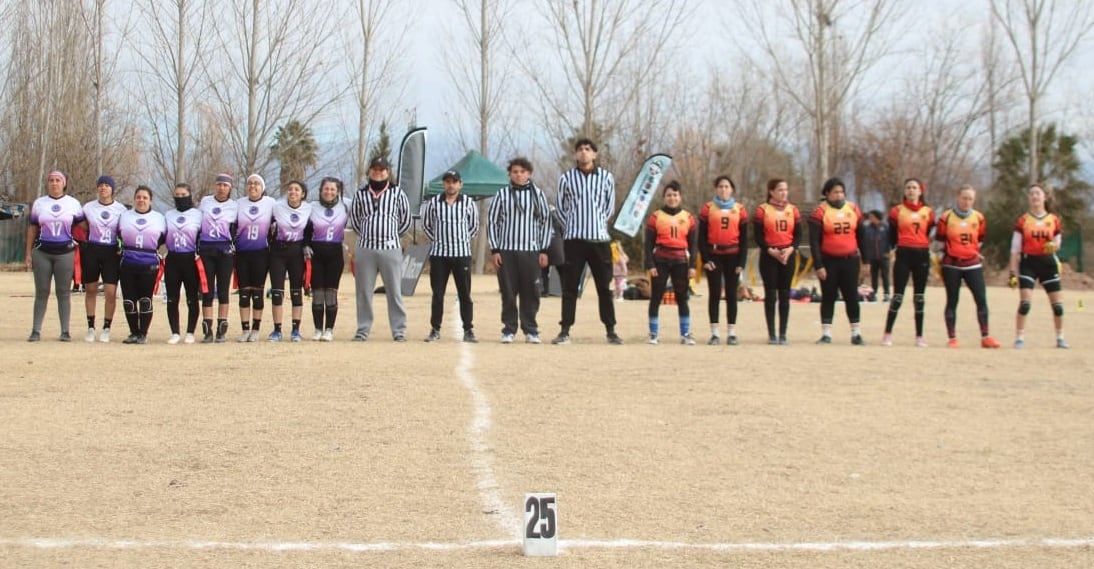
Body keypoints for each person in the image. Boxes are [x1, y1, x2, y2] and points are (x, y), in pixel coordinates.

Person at [551, 139, 622, 345]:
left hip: (599, 240)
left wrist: (598, 222)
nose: (584, 152)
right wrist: (572, 226)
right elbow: (561, 207)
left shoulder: (606, 178)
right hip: (574, 241)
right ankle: (564, 330)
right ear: (575, 155)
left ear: (595, 154)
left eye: (588, 149)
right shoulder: (566, 178)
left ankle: (611, 330)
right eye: (580, 149)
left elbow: (609, 207)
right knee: (570, 286)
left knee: (604, 287)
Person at [487, 157, 552, 344]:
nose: (519, 174)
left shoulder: (538, 194)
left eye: (522, 171)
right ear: (510, 174)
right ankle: (509, 329)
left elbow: (545, 222)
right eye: (515, 171)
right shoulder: (501, 195)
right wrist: (495, 249)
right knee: (508, 291)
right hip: (506, 251)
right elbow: (493, 221)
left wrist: (544, 249)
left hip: (530, 250)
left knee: (531, 291)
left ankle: (531, 329)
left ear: (529, 173)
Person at [349, 157, 411, 342]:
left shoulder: (398, 193)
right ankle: (363, 329)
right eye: (375, 169)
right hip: (366, 249)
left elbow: (405, 221)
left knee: (394, 291)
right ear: (369, 171)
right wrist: (369, 235)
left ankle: (398, 330)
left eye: (382, 169)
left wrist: (390, 235)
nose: (378, 172)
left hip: (390, 248)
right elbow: (355, 220)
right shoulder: (360, 194)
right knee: (363, 291)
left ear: (388, 172)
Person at [936, 185, 1000, 348]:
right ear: (958, 197)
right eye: (964, 198)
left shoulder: (978, 217)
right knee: (952, 300)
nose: (966, 202)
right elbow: (940, 240)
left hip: (972, 264)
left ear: (974, 200)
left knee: (981, 299)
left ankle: (985, 336)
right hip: (952, 265)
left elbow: (980, 238)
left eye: (970, 199)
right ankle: (952, 338)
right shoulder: (946, 217)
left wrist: (973, 251)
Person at [25, 171, 84, 342]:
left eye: (58, 180)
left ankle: (65, 331)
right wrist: (28, 253)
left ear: (64, 183)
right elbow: (32, 228)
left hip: (65, 253)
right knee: (42, 291)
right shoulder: (39, 203)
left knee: (63, 292)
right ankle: (36, 330)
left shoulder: (73, 203)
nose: (54, 183)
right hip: (42, 252)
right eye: (51, 180)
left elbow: (84, 225)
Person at [421, 169, 479, 343]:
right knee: (438, 294)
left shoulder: (468, 203)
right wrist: (439, 240)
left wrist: (460, 240)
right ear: (443, 184)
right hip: (439, 255)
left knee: (465, 294)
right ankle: (435, 329)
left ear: (460, 184)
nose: (450, 185)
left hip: (461, 254)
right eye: (447, 181)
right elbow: (426, 226)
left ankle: (468, 329)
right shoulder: (433, 203)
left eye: (454, 181)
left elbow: (474, 227)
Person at [1009, 183, 1067, 349]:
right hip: (1029, 263)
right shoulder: (1023, 221)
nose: (1034, 196)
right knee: (1025, 303)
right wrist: (1012, 273)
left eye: (1038, 193)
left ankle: (1060, 337)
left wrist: (1054, 246)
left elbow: (1057, 242)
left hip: (1048, 263)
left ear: (1044, 197)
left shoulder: (1053, 220)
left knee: (1058, 307)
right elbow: (1015, 250)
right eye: (1031, 194)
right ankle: (1019, 337)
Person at [809, 177, 866, 345]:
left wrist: (867, 260)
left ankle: (856, 332)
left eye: (841, 192)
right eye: (835, 192)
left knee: (852, 296)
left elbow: (861, 236)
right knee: (828, 296)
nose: (839, 195)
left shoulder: (853, 209)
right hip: (829, 260)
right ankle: (826, 333)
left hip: (850, 260)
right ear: (827, 193)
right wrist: (818, 265)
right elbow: (814, 242)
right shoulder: (820, 212)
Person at [882, 178, 934, 347]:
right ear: (904, 191)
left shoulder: (928, 212)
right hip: (903, 253)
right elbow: (891, 234)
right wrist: (891, 249)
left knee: (919, 297)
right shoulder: (897, 211)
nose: (911, 191)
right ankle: (887, 333)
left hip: (922, 255)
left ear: (920, 191)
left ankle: (920, 336)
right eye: (908, 188)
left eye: (914, 188)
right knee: (898, 295)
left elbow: (930, 231)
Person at [645, 180, 698, 345]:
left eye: (675, 195)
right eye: (668, 195)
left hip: (681, 260)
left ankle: (685, 333)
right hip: (660, 259)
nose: (672, 198)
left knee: (682, 297)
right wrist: (650, 265)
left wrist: (693, 266)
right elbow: (648, 245)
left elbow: (694, 245)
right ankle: (653, 334)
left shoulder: (688, 218)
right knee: (656, 296)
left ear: (680, 197)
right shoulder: (655, 217)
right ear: (664, 197)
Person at [698, 175, 748, 345]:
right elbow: (701, 237)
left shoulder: (740, 209)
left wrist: (742, 262)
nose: (723, 189)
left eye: (727, 186)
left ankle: (732, 332)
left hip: (733, 255)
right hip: (714, 255)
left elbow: (745, 239)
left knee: (732, 294)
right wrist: (705, 258)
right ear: (716, 189)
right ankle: (715, 333)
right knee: (714, 293)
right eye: (720, 186)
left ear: (732, 189)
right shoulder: (708, 209)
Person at [78, 175, 126, 343]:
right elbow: (80, 224)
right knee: (90, 289)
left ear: (112, 189)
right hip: (92, 249)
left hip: (111, 252)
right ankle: (91, 327)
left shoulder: (121, 209)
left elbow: (124, 230)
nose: (103, 188)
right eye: (100, 185)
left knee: (110, 292)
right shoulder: (89, 207)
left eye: (107, 185)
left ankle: (107, 327)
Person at [753, 178, 801, 345]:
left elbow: (798, 235)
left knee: (785, 294)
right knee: (771, 294)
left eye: (785, 190)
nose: (783, 193)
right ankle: (772, 333)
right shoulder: (762, 210)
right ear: (771, 191)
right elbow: (758, 235)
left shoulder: (793, 210)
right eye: (780, 190)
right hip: (770, 256)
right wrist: (769, 250)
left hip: (787, 255)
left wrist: (790, 249)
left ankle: (783, 333)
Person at [117, 185, 166, 344]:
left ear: (150, 200)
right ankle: (133, 332)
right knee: (129, 300)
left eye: (145, 197)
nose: (141, 200)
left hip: (148, 263)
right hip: (128, 262)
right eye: (138, 197)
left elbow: (163, 238)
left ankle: (143, 333)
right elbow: (118, 234)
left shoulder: (159, 218)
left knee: (145, 299)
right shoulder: (124, 216)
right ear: (134, 199)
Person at [268, 180, 312, 342]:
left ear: (303, 194)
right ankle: (277, 330)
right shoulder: (277, 207)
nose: (293, 192)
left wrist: (307, 245)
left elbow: (310, 230)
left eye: (296, 189)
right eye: (290, 189)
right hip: (278, 252)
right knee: (277, 293)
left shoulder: (308, 209)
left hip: (297, 253)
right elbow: (267, 225)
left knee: (296, 292)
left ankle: (295, 330)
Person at [234, 174, 276, 342]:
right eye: (250, 183)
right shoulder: (238, 204)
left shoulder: (271, 203)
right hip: (242, 253)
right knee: (244, 293)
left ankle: (256, 329)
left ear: (262, 187)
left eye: (257, 183)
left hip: (261, 252)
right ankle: (245, 330)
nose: (253, 186)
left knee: (258, 293)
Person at [307, 177, 350, 341]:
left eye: (333, 189)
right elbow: (304, 229)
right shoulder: (312, 207)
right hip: (316, 253)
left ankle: (329, 330)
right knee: (317, 293)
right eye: (326, 188)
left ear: (338, 191)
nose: (329, 192)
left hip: (335, 253)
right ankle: (318, 329)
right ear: (320, 190)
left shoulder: (346, 205)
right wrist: (305, 246)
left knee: (331, 294)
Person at [199, 174, 238, 343]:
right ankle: (207, 330)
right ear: (215, 186)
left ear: (230, 188)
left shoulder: (234, 206)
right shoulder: (205, 202)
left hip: (224, 250)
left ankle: (221, 329)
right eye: (219, 184)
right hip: (207, 248)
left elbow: (237, 229)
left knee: (223, 291)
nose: (222, 188)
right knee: (207, 291)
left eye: (225, 185)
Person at [164, 183, 204, 344]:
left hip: (190, 259)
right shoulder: (168, 214)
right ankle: (175, 332)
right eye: (177, 195)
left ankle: (190, 332)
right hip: (172, 258)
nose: (180, 198)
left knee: (192, 297)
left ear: (189, 195)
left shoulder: (198, 215)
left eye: (183, 195)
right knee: (172, 298)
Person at [862, 209, 892, 302]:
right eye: (870, 217)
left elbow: (891, 240)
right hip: (872, 257)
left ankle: (886, 294)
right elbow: (864, 242)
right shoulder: (867, 228)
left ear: (877, 217)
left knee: (885, 276)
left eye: (872, 217)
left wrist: (889, 251)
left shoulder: (886, 227)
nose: (870, 218)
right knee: (874, 276)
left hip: (884, 256)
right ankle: (873, 294)